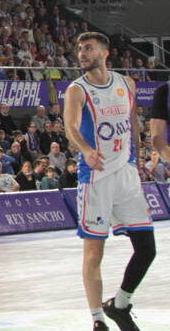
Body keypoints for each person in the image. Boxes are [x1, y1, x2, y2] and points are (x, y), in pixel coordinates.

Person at [64, 32, 153, 331]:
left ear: (105, 52)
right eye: (79, 49)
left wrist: (138, 160)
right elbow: (70, 127)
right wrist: (87, 150)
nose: (82, 54)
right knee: (94, 251)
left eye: (88, 48)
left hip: (126, 175)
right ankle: (97, 319)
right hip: (96, 178)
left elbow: (132, 123)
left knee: (147, 248)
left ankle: (120, 304)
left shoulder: (126, 83)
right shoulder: (77, 90)